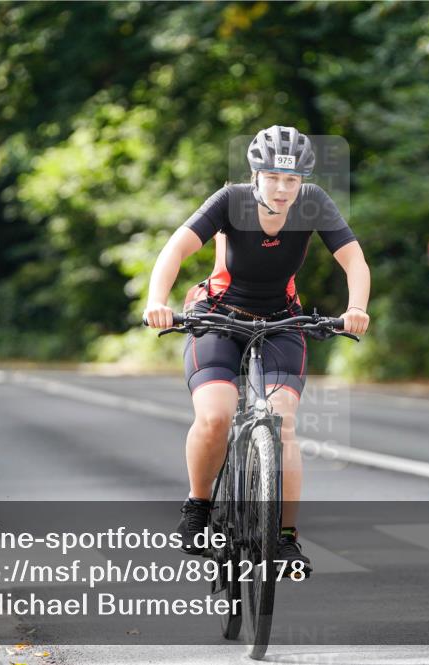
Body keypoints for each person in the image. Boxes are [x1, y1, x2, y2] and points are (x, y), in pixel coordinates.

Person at [143, 126, 371, 574]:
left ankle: (284, 539)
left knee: (282, 424)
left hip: (282, 320)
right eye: (273, 178)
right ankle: (199, 508)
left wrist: (357, 307)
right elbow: (175, 250)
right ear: (255, 175)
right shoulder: (231, 201)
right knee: (216, 414)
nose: (284, 189)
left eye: (292, 180)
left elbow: (354, 260)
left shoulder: (314, 203)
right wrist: (156, 302)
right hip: (218, 315)